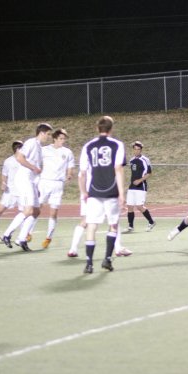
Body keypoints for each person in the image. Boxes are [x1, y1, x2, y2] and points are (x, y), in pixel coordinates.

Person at [78, 116, 125, 273]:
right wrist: (121, 193)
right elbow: (118, 169)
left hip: (94, 191)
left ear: (97, 128)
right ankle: (107, 259)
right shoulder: (117, 145)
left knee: (91, 225)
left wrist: (84, 191)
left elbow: (82, 173)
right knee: (113, 224)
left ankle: (89, 263)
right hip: (111, 191)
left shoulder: (88, 146)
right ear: (111, 129)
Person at [0, 123, 53, 251]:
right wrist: (33, 167)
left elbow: (37, 170)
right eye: (48, 134)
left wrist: (37, 186)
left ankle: (21, 239)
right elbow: (19, 157)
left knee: (36, 211)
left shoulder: (39, 147)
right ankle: (7, 234)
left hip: (32, 182)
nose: (49, 137)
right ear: (41, 133)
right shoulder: (31, 143)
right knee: (29, 210)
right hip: (24, 179)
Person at [28, 128, 75, 248]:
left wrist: (69, 175)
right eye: (61, 139)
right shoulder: (44, 150)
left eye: (64, 139)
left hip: (58, 185)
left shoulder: (67, 152)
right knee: (37, 209)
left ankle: (48, 237)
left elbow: (70, 167)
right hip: (44, 183)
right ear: (55, 138)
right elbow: (35, 161)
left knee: (53, 213)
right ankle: (28, 232)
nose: (63, 141)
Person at [67, 172, 132, 258]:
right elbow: (116, 171)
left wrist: (83, 192)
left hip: (89, 190)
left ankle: (73, 249)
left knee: (85, 221)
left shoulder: (86, 158)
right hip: (103, 190)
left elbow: (81, 175)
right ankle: (118, 248)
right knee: (114, 220)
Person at [123, 141, 155, 233]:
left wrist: (140, 180)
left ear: (141, 150)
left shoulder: (145, 160)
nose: (136, 151)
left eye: (138, 149)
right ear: (133, 149)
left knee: (139, 206)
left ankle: (151, 222)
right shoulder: (131, 160)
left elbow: (149, 173)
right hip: (132, 186)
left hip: (141, 186)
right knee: (129, 206)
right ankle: (130, 226)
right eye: (135, 149)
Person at [0, 140, 23, 221]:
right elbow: (4, 174)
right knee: (0, 210)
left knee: (25, 212)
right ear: (17, 149)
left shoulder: (26, 160)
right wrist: (3, 183)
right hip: (10, 190)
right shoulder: (8, 161)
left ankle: (25, 232)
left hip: (23, 191)